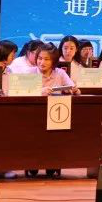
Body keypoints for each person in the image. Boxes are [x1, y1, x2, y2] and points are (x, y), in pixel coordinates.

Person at [27, 43, 79, 178]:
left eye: (46, 59)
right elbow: (20, 93)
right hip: (33, 115)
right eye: (39, 58)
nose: (42, 62)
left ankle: (53, 163)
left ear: (54, 61)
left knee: (56, 136)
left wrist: (73, 90)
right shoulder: (29, 73)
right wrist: (39, 92)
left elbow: (72, 87)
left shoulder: (60, 73)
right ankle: (32, 164)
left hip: (55, 114)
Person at [0, 40, 18, 179]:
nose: (14, 57)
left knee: (6, 139)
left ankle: (4, 168)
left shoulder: (9, 71)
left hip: (6, 109)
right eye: (12, 54)